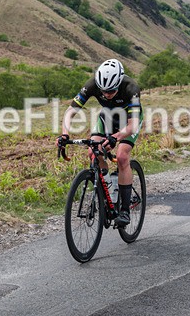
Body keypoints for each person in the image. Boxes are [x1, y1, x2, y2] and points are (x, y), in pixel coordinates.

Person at [57, 59, 141, 226]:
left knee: (122, 156)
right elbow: (70, 111)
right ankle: (108, 192)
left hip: (128, 121)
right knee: (92, 152)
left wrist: (116, 138)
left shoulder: (131, 88)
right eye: (104, 91)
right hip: (107, 117)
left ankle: (124, 211)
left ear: (119, 82)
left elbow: (132, 126)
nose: (107, 94)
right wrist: (64, 134)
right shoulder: (92, 85)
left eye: (111, 91)